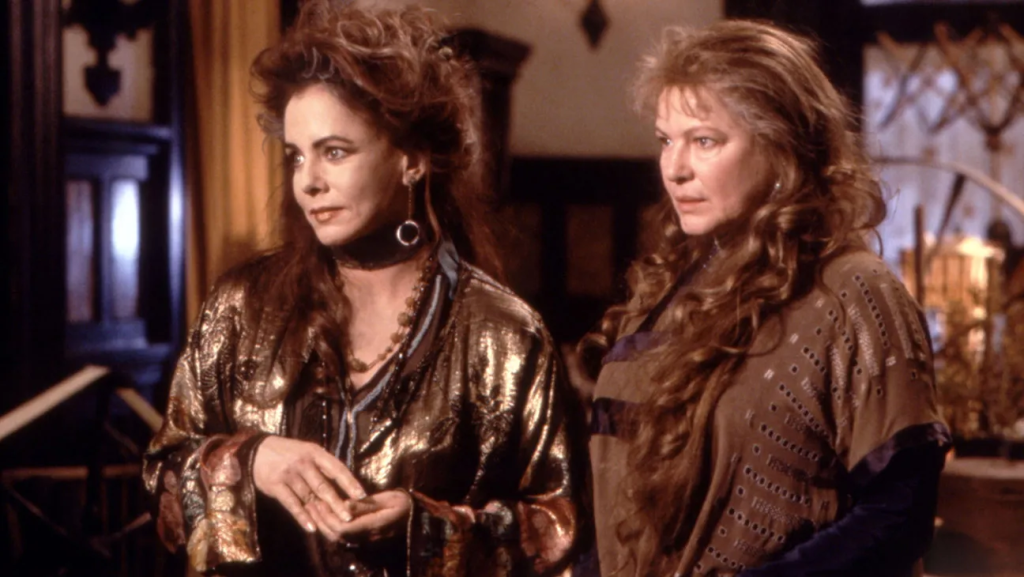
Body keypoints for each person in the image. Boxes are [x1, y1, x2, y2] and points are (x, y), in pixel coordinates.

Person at [143, 3, 584, 575]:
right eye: (295, 156)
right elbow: (163, 483)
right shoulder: (241, 305)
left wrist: (427, 528)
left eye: (335, 152)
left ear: (412, 160)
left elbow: (559, 529)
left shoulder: (503, 336)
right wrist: (249, 461)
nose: (308, 181)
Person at [582, 20, 950, 577]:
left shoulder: (854, 292)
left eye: (705, 141)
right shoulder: (665, 294)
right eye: (666, 140)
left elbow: (900, 514)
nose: (675, 169)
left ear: (781, 149)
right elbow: (615, 512)